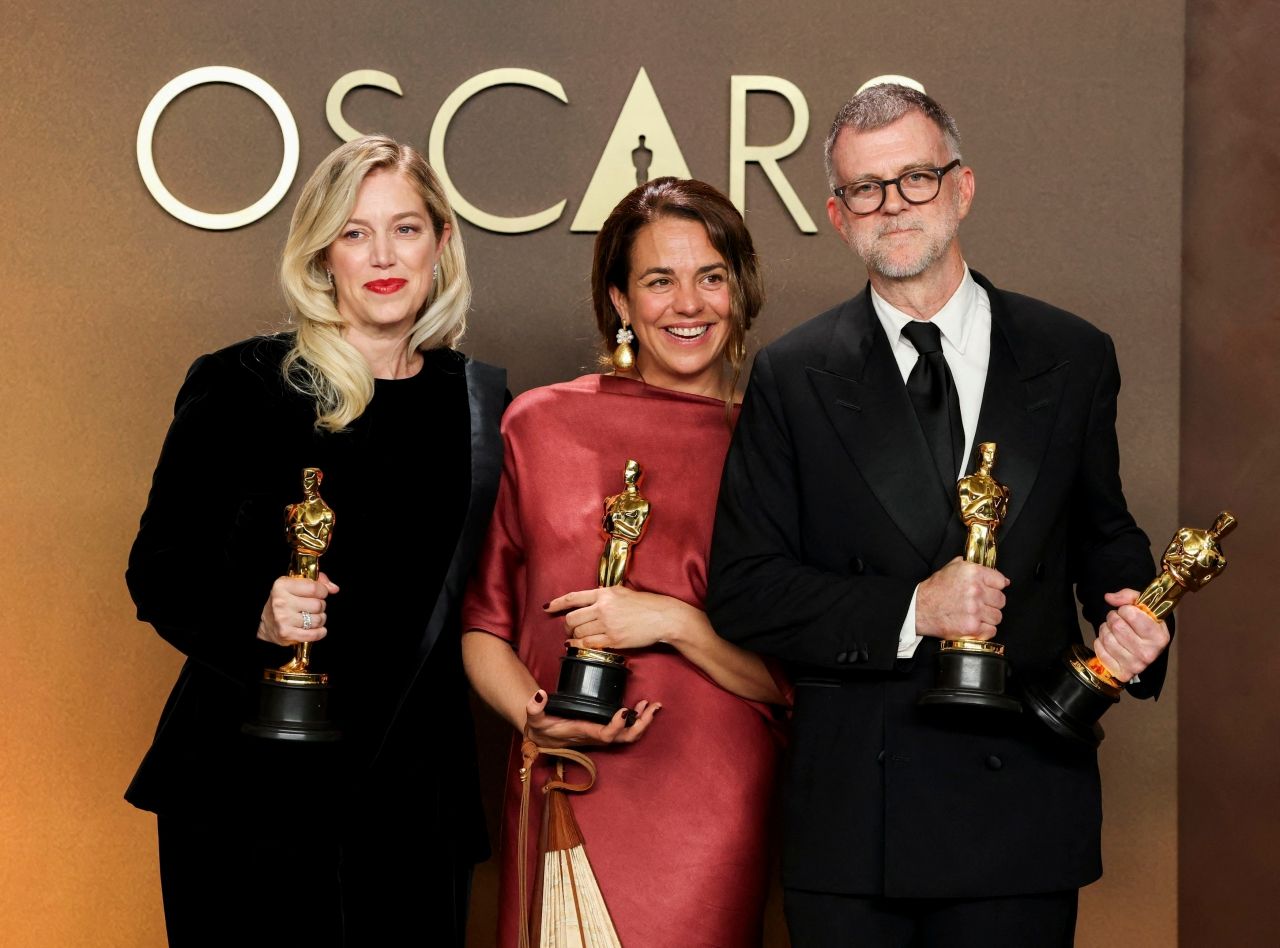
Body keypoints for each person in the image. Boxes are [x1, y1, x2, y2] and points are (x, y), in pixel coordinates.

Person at [706, 83, 1173, 946]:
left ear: (962, 188)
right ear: (837, 216)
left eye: (916, 178)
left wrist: (1140, 623)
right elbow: (745, 590)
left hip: (1022, 802)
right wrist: (914, 608)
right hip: (857, 820)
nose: (894, 205)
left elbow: (1106, 539)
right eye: (866, 188)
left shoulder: (1072, 354)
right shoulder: (792, 375)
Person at [124, 135, 505, 947]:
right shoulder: (242, 382)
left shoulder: (480, 404)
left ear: (441, 242)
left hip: (413, 794)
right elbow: (159, 571)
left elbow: (498, 595)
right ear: (323, 252)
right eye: (355, 232)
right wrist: (256, 617)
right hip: (248, 790)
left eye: (405, 229)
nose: (383, 256)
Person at [461, 177, 788, 947]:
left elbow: (790, 681)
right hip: (565, 778)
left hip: (710, 802)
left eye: (711, 277)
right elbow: (483, 626)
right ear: (619, 299)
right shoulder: (539, 424)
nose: (689, 304)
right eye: (659, 280)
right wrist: (535, 717)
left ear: (740, 292)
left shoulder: (778, 448)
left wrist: (675, 622)